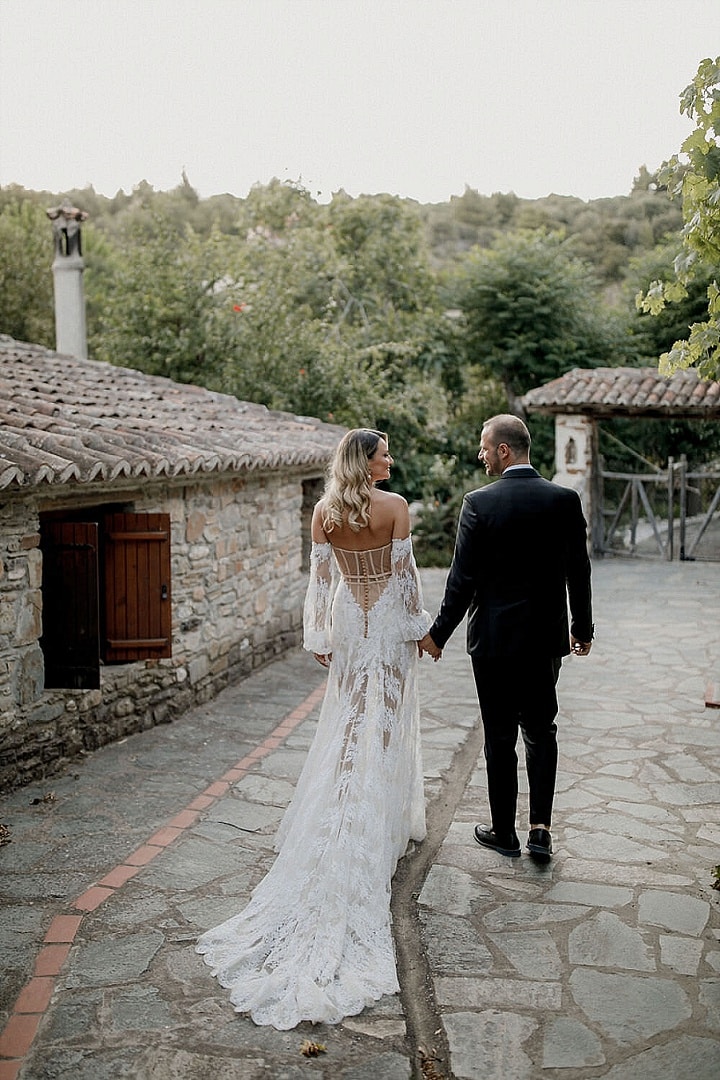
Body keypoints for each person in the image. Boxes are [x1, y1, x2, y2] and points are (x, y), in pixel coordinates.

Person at [197, 429, 431, 1028]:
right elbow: (405, 583)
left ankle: (348, 798)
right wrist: (420, 630)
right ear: (367, 462)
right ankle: (379, 811)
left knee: (350, 717)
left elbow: (320, 584)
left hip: (352, 620)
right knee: (387, 718)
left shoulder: (325, 513)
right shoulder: (396, 508)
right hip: (384, 623)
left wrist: (320, 636)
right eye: (385, 454)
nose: (391, 460)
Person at [419, 414, 593, 860]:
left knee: (499, 738)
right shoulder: (564, 500)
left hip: (494, 643)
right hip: (544, 641)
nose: (480, 454)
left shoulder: (479, 503)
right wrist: (582, 628)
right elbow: (579, 571)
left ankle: (503, 833)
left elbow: (461, 580)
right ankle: (540, 831)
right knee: (541, 731)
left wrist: (438, 635)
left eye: (484, 446)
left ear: (503, 450)